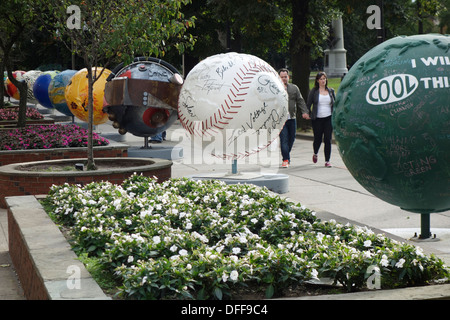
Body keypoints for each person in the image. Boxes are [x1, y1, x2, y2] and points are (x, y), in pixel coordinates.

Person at [278, 68, 310, 168]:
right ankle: (285, 159)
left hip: (292, 117)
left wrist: (304, 112)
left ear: (288, 77)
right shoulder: (275, 89)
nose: (284, 79)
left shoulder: (294, 88)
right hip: (280, 119)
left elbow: (300, 101)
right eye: (282, 77)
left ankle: (286, 154)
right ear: (279, 78)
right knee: (284, 139)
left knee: (291, 139)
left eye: (285, 77)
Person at [306, 72, 335, 167]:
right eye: (321, 79)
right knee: (318, 139)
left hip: (328, 118)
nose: (323, 81)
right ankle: (315, 153)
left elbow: (335, 104)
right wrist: (307, 113)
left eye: (324, 79)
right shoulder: (314, 91)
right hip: (317, 119)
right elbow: (308, 104)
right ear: (318, 80)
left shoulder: (331, 91)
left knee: (328, 139)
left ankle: (327, 161)